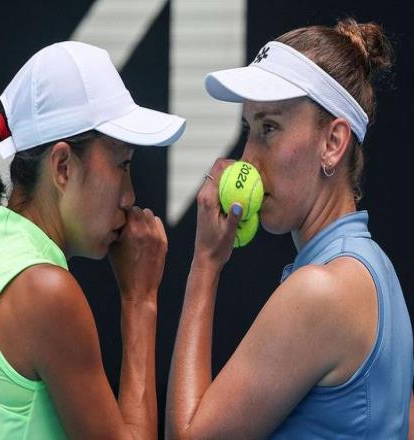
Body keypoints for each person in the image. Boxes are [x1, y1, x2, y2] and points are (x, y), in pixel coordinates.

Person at [0, 41, 185, 439]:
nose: (129, 197)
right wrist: (140, 298)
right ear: (62, 167)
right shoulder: (46, 291)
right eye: (122, 164)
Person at [166, 19, 413, 438]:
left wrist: (205, 264)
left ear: (332, 143)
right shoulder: (376, 272)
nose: (247, 158)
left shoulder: (322, 290)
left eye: (270, 128)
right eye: (249, 129)